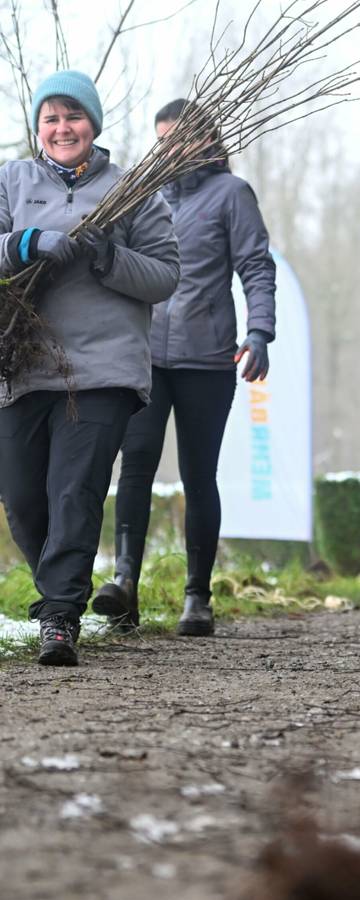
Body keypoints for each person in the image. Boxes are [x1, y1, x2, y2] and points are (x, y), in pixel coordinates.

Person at [0, 70, 179, 666]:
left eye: (72, 116)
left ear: (93, 124)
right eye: (50, 118)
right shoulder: (11, 180)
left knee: (74, 491)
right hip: (24, 364)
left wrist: (109, 256)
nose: (62, 128)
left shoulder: (133, 189)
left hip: (103, 369)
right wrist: (24, 244)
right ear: (38, 128)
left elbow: (165, 276)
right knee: (23, 498)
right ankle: (65, 586)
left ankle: (58, 616)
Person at [92, 98, 276, 637]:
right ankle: (124, 583)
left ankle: (198, 597)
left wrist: (259, 332)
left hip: (207, 359)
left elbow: (256, 266)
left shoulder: (231, 194)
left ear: (206, 141)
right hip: (144, 357)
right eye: (162, 141)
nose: (170, 150)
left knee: (199, 475)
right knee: (135, 465)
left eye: (181, 139)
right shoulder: (140, 195)